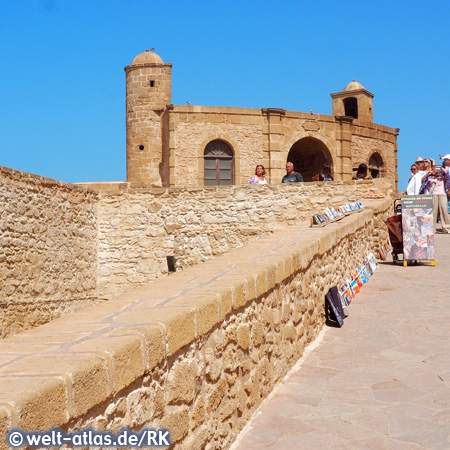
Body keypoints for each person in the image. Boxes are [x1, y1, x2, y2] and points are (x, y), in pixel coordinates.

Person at [420, 164, 450, 233]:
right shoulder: (430, 178)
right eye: (435, 170)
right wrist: (428, 173)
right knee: (433, 211)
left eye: (438, 170)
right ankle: (432, 228)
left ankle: (446, 228)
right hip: (433, 195)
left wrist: (441, 168)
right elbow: (422, 180)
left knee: (444, 211)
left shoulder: (442, 178)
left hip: (442, 194)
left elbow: (446, 173)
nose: (437, 171)